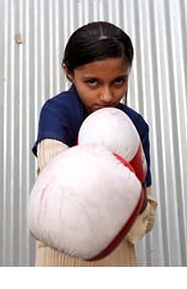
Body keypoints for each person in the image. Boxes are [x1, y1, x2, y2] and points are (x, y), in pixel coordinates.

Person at [31, 21, 156, 266]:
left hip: (116, 261)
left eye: (118, 82)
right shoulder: (58, 112)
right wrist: (123, 188)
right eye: (92, 82)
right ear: (68, 72)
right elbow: (63, 191)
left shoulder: (134, 124)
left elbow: (144, 222)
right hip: (61, 263)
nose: (107, 96)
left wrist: (137, 196)